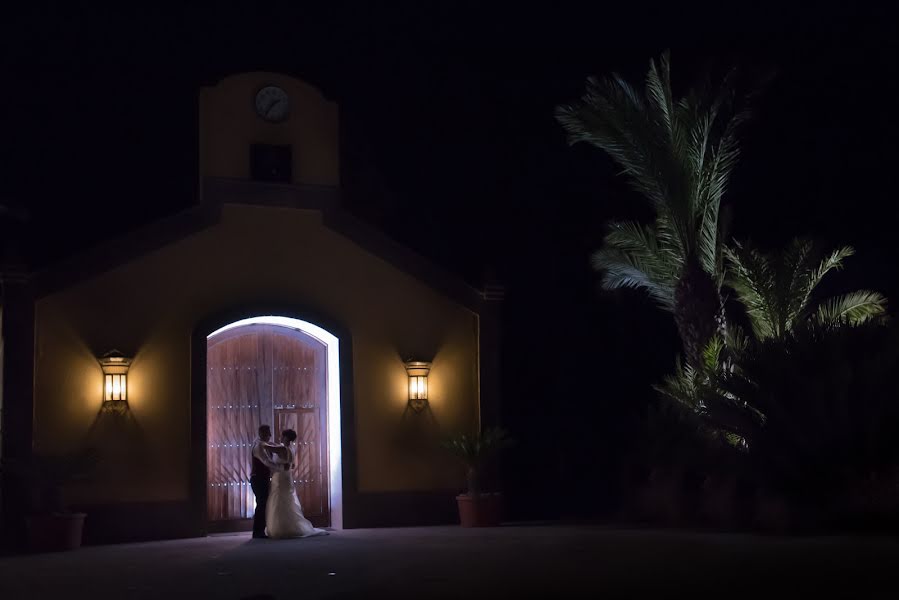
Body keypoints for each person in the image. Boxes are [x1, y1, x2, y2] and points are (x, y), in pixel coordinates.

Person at [264, 428, 329, 539]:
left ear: (286, 438)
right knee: (286, 501)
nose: (280, 437)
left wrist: (261, 441)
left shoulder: (282, 449)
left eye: (282, 436)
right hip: (286, 476)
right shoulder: (290, 448)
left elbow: (268, 447)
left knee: (279, 500)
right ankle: (285, 526)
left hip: (280, 477)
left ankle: (281, 528)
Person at [249, 425, 285, 539]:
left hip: (261, 478)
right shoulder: (259, 446)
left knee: (263, 504)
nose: (270, 435)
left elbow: (274, 446)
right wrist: (282, 468)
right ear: (261, 433)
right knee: (261, 504)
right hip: (258, 478)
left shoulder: (263, 444)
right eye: (268, 433)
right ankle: (257, 532)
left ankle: (259, 531)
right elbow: (266, 461)